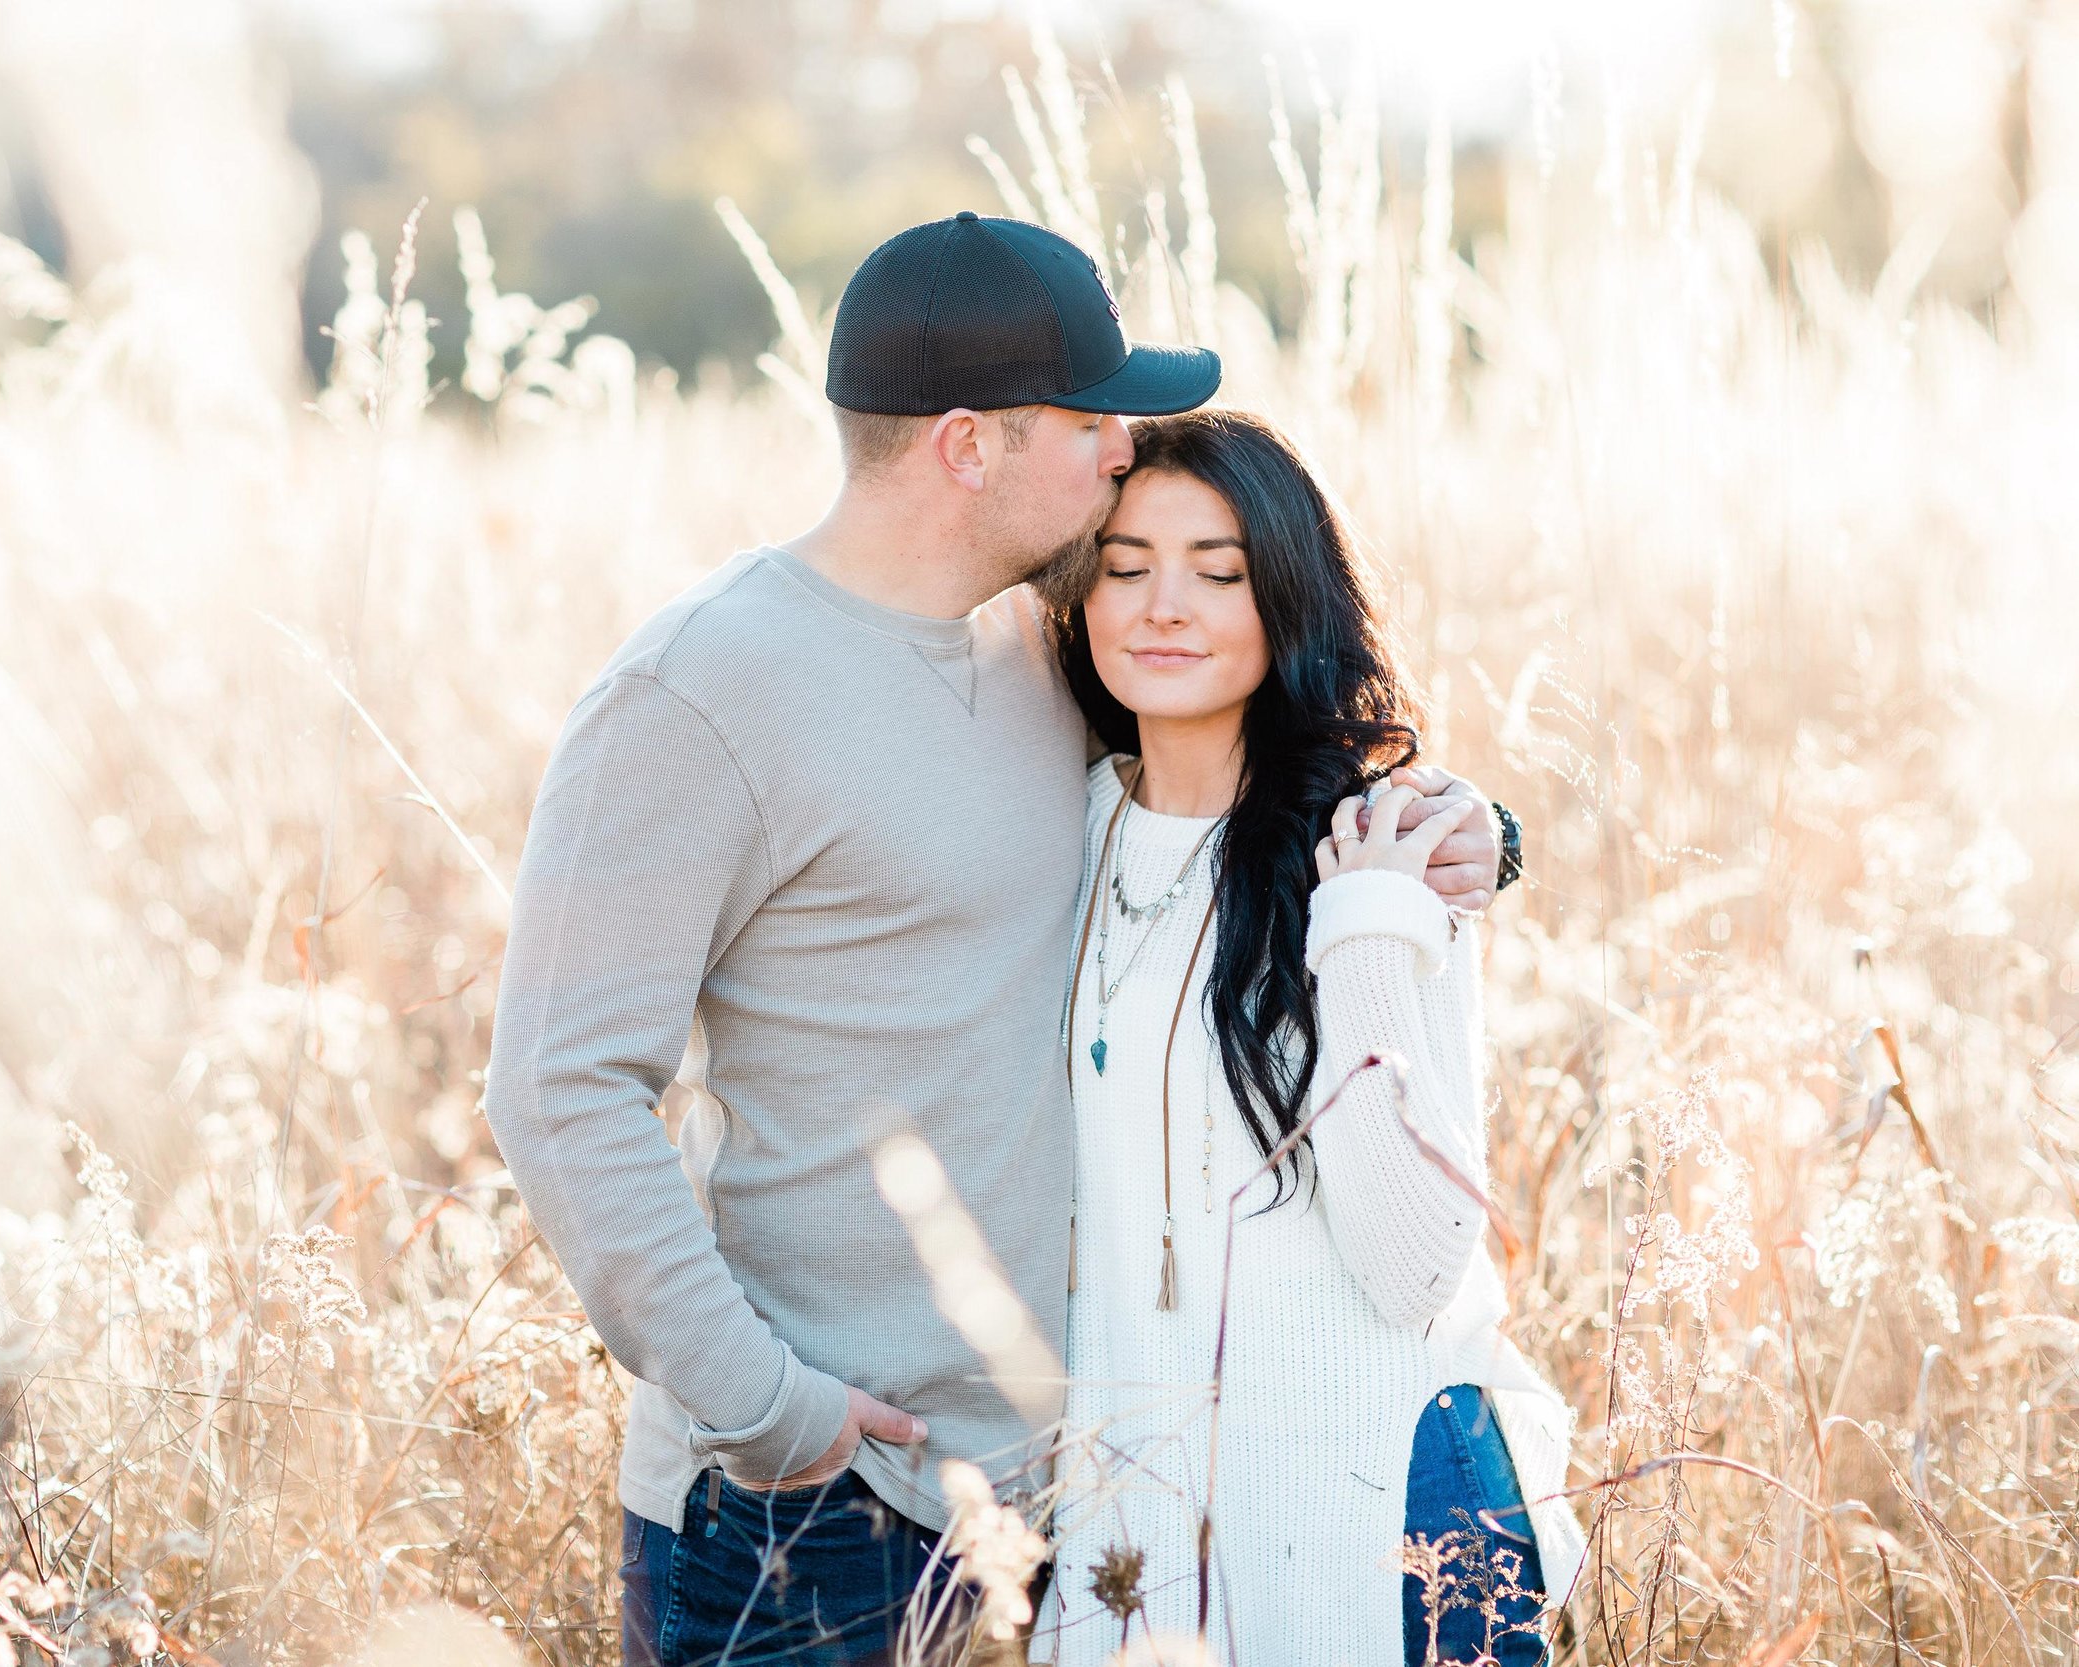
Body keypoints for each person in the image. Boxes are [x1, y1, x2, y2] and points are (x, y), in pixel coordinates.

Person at [483, 213, 1509, 1667]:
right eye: (1093, 419)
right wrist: (771, 1410)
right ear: (970, 446)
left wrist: (1468, 828)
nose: (1122, 448)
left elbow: (1241, 745)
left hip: (1046, 1512)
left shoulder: (1042, 644)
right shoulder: (696, 688)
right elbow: (557, 1082)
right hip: (804, 1516)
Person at [1028, 409, 1585, 1667]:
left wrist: (1371, 930)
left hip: (1384, 1520)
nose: (1164, 604)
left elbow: (1411, 1266)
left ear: (1286, 596)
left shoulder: (1376, 846)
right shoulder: (1058, 829)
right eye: (1124, 566)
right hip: (1145, 1536)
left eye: (1218, 571)